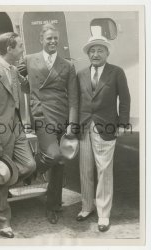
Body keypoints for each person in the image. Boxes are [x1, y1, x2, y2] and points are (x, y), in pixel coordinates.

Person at [0, 32, 36, 238]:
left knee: (29, 165)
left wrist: (26, 74)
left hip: (16, 129)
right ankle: (2, 223)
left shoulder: (13, 69)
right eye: (20, 46)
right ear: (9, 49)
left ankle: (0, 188)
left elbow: (27, 88)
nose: (23, 50)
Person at [19, 23, 78, 224]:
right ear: (41, 40)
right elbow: (12, 74)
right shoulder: (28, 59)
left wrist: (72, 123)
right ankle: (32, 170)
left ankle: (53, 205)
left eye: (55, 38)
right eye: (49, 38)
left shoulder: (68, 65)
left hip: (62, 115)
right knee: (53, 155)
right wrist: (25, 86)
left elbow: (73, 97)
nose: (52, 41)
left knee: (60, 162)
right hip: (41, 114)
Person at [77, 35, 130, 232]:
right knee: (85, 169)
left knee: (104, 171)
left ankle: (103, 214)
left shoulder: (116, 72)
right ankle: (86, 207)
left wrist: (123, 123)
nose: (95, 54)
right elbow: (77, 102)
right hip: (83, 127)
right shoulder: (81, 74)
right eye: (92, 50)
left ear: (107, 53)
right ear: (88, 54)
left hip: (106, 127)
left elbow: (124, 99)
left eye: (100, 50)